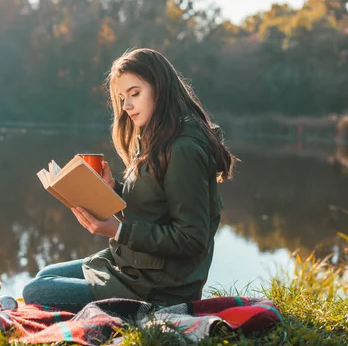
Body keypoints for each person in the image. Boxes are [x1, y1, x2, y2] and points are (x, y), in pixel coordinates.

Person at [22, 48, 237, 312]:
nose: (126, 106)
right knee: (44, 276)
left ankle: (138, 311)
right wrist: (111, 188)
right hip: (134, 265)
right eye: (122, 97)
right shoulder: (155, 136)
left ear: (161, 89)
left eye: (135, 94)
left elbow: (192, 239)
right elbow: (155, 208)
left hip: (160, 287)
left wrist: (117, 230)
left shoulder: (183, 149)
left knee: (36, 291)